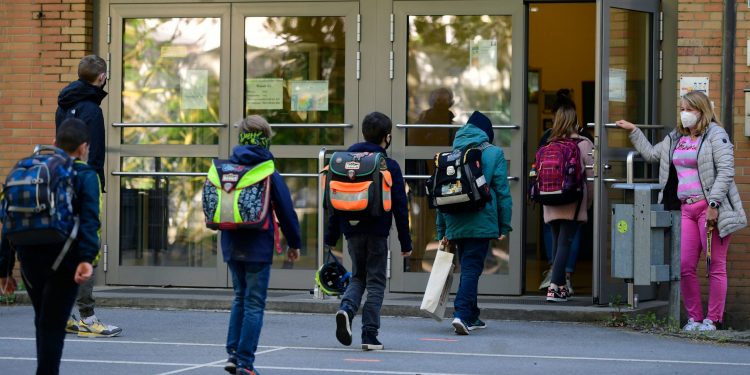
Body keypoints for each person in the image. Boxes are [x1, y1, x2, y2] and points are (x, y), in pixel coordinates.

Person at [615, 91, 747, 331]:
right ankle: (694, 318)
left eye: (689, 109)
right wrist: (634, 131)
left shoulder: (716, 135)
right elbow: (653, 155)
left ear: (701, 111)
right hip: (686, 209)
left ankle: (713, 320)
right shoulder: (676, 136)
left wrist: (714, 205)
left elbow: (726, 172)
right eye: (682, 108)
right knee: (684, 265)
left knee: (715, 265)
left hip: (710, 209)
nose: (684, 113)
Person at [0, 118, 102, 375]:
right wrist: (87, 259)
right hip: (64, 257)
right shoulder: (86, 175)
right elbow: (90, 220)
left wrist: (4, 267)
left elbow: (8, 217)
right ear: (83, 148)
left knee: (43, 320)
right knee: (53, 324)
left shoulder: (28, 170)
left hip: (29, 256)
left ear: (55, 144)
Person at [221, 115, 302, 375]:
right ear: (266, 140)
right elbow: (286, 211)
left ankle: (233, 355)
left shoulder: (228, 169)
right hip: (258, 245)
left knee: (239, 298)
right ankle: (246, 362)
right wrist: (294, 242)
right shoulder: (268, 171)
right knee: (254, 303)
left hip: (231, 243)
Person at [327, 112, 412, 350]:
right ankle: (369, 335)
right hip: (377, 232)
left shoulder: (342, 163)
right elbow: (400, 207)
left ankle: (346, 309)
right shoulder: (388, 165)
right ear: (387, 137)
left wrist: (330, 237)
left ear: (363, 133)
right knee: (375, 282)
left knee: (358, 277)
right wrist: (406, 243)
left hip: (351, 231)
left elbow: (332, 202)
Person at [55, 54, 121, 338]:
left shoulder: (65, 104)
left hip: (61, 178)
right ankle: (88, 317)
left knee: (65, 246)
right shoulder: (92, 110)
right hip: (84, 182)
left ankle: (65, 313)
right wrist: (93, 185)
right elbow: (92, 154)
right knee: (87, 245)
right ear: (102, 77)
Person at [436, 110, 512, 334]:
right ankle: (460, 314)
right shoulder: (493, 153)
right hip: (481, 218)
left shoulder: (452, 154)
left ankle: (472, 315)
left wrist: (442, 228)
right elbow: (503, 192)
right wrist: (504, 224)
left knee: (469, 265)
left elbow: (441, 195)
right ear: (487, 133)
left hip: (455, 219)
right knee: (471, 267)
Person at [537, 89, 593, 294]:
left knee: (556, 241)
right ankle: (556, 285)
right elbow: (592, 178)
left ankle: (558, 284)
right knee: (566, 241)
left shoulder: (548, 140)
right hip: (573, 200)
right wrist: (588, 204)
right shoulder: (584, 142)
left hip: (549, 199)